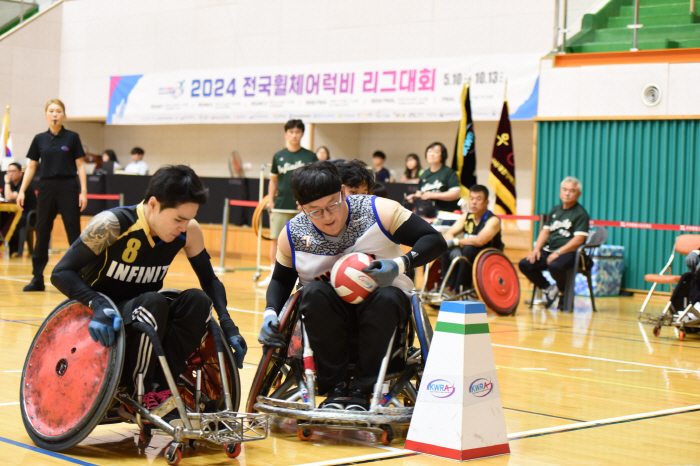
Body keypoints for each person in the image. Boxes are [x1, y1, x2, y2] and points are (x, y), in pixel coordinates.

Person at [50, 165, 247, 407]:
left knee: (197, 300)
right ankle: (140, 391)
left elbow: (209, 280)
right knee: (153, 302)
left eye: (189, 219)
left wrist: (228, 323)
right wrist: (98, 303)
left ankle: (163, 387)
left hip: (146, 314)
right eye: (178, 219)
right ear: (153, 205)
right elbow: (60, 272)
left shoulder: (188, 231)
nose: (184, 227)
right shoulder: (112, 224)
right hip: (102, 316)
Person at [258, 161, 447, 410]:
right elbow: (282, 280)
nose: (327, 217)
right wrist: (271, 311)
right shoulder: (292, 234)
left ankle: (362, 388)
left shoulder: (380, 211)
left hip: (385, 306)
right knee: (312, 293)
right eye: (315, 211)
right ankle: (335, 388)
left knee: (388, 296)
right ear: (300, 208)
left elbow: (435, 240)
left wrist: (400, 264)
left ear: (343, 192)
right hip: (326, 316)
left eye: (333, 205)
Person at [17, 99, 89, 292]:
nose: (55, 114)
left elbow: (81, 166)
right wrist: (22, 190)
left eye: (58, 111)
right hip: (46, 187)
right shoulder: (39, 139)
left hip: (69, 186)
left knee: (73, 232)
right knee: (42, 232)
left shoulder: (72, 137)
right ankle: (37, 278)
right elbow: (31, 166)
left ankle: (80, 276)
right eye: (51, 111)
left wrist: (83, 191)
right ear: (46, 115)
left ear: (64, 115)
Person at [258, 119, 316, 288]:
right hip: (281, 204)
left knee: (305, 240)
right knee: (276, 239)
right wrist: (270, 200)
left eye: (297, 132)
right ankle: (272, 273)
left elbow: (313, 181)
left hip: (303, 207)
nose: (294, 135)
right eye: (291, 132)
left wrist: (308, 201)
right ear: (286, 134)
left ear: (302, 134)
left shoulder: (310, 156)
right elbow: (273, 181)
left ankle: (303, 274)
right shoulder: (278, 156)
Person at [519, 177, 590, 310]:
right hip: (549, 250)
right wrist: (536, 250)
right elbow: (545, 232)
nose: (567, 193)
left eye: (572, 191)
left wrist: (558, 252)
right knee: (525, 264)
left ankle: (562, 292)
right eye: (564, 190)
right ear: (560, 192)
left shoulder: (581, 214)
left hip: (570, 253)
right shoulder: (555, 210)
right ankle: (550, 288)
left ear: (578, 194)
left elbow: (579, 240)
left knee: (555, 265)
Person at [441, 185, 503, 293]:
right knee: (446, 250)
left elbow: (479, 241)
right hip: (468, 251)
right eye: (471, 198)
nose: (474, 202)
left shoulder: (494, 220)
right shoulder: (466, 216)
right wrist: (454, 245)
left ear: (486, 202)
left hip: (487, 256)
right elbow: (449, 233)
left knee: (468, 249)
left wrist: (456, 242)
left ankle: (460, 288)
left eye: (478, 199)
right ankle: (448, 287)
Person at [409, 142, 460, 215]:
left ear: (442, 156)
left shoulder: (449, 172)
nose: (431, 154)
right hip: (426, 214)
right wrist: (415, 196)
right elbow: (420, 192)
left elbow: (456, 194)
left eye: (436, 152)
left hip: (445, 213)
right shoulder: (424, 174)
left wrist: (434, 195)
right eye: (429, 152)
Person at [3, 163, 37, 257]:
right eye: (8, 171)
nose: (10, 174)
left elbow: (8, 196)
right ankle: (7, 250)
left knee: (13, 221)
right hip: (16, 215)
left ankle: (15, 250)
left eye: (13, 171)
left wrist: (6, 182)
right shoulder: (12, 185)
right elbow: (3, 197)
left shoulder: (25, 186)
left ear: (20, 173)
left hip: (29, 216)